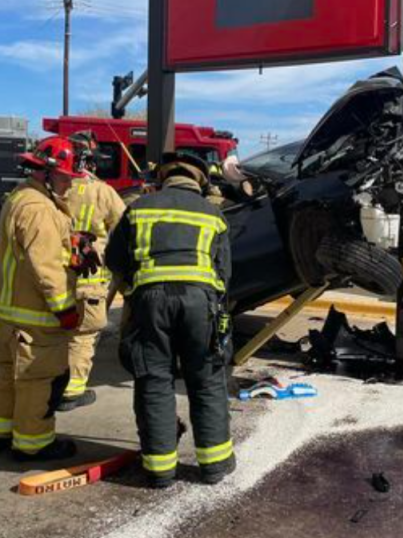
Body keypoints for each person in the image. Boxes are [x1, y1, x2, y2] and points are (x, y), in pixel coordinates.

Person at [106, 152, 234, 488]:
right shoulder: (214, 215)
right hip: (200, 304)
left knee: (154, 380)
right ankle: (215, 465)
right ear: (200, 182)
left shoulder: (138, 209)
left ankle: (160, 469)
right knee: (206, 379)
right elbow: (225, 272)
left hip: (150, 303)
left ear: (162, 178)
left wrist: (135, 288)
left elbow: (114, 259)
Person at [0, 136, 87, 461]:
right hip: (35, 319)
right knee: (39, 381)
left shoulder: (19, 198)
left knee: (8, 379)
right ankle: (33, 444)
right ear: (45, 174)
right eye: (65, 178)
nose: (70, 185)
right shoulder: (40, 210)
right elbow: (46, 267)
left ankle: (5, 432)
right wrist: (65, 309)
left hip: (9, 314)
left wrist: (69, 243)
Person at [59, 132, 126, 412]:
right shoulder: (102, 192)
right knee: (83, 335)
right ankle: (72, 391)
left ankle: (52, 383)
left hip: (54, 274)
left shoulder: (53, 189)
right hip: (89, 277)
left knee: (57, 332)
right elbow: (125, 228)